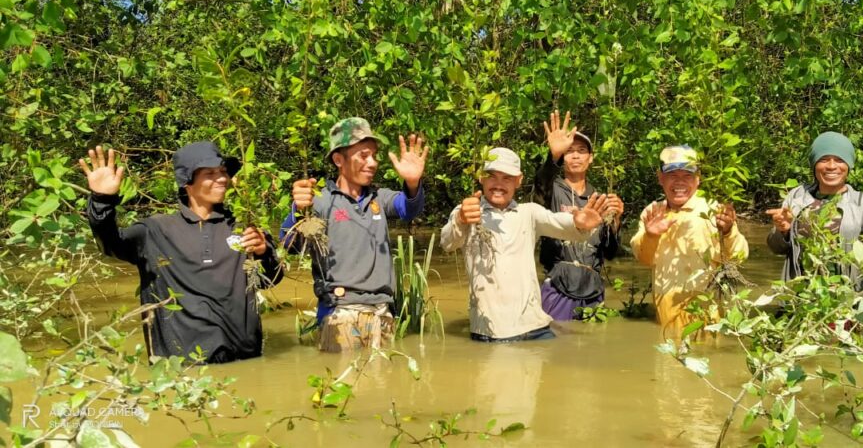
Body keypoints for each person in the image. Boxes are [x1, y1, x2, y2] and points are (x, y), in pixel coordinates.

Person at [80, 142, 282, 364]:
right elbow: (109, 244)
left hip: (245, 361)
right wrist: (102, 200)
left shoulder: (245, 228)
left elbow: (270, 279)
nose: (222, 178)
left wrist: (264, 251)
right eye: (210, 173)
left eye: (223, 172)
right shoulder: (154, 231)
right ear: (187, 182)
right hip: (181, 368)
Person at [281, 117, 428, 352]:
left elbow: (409, 208)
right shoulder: (319, 201)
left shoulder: (378, 197)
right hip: (340, 311)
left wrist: (412, 182)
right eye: (363, 155)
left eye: (374, 155)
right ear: (338, 159)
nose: (372, 163)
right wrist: (297, 211)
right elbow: (289, 245)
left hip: (382, 311)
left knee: (383, 384)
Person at [440, 147, 609, 342]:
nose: (498, 184)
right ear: (481, 178)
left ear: (519, 180)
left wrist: (580, 224)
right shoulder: (467, 211)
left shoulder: (529, 213)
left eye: (507, 178)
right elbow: (447, 242)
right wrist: (461, 219)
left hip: (536, 327)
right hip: (491, 331)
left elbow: (563, 224)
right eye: (492, 176)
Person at [765, 131, 863, 286]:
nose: (831, 166)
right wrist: (782, 231)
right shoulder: (797, 197)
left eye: (839, 160)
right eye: (824, 160)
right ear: (814, 165)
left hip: (847, 300)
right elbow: (776, 248)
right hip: (800, 297)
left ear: (848, 165)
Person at [629, 145, 748, 338]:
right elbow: (643, 258)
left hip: (706, 315)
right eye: (672, 175)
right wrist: (650, 236)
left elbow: (738, 257)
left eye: (687, 175)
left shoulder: (714, 211)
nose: (680, 182)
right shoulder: (653, 212)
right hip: (665, 315)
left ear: (698, 178)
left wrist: (727, 231)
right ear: (660, 178)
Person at [534, 110, 624, 320]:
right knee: (555, 344)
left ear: (590, 158)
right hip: (558, 285)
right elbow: (540, 184)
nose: (575, 156)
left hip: (592, 288)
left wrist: (616, 220)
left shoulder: (599, 199)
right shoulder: (552, 190)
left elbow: (610, 253)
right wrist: (553, 156)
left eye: (581, 151)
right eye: (569, 151)